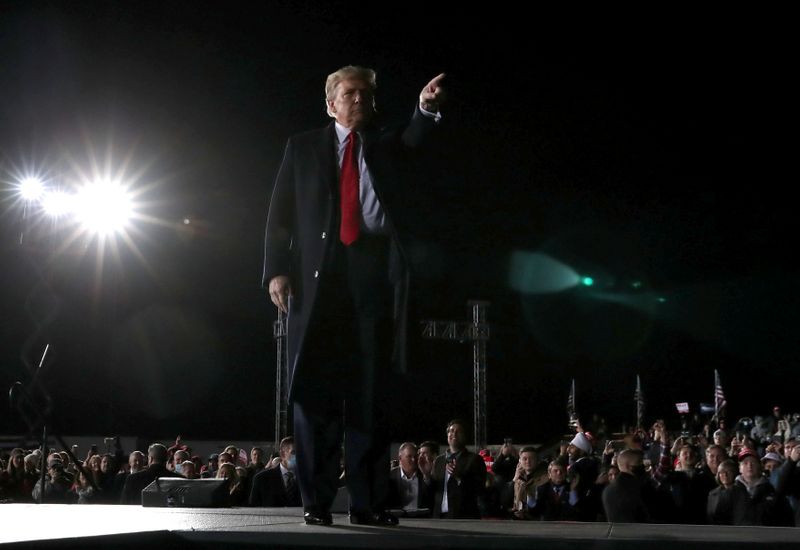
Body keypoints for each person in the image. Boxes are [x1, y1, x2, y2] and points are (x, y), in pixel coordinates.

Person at [262, 65, 445, 527]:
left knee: (368, 395)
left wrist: (424, 108)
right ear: (331, 103)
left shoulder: (385, 143)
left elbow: (414, 137)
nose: (360, 99)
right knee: (314, 395)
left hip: (371, 274)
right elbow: (279, 214)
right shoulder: (302, 147)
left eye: (366, 93)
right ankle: (316, 502)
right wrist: (276, 272)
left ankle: (366, 505)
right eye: (350, 93)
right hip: (316, 280)